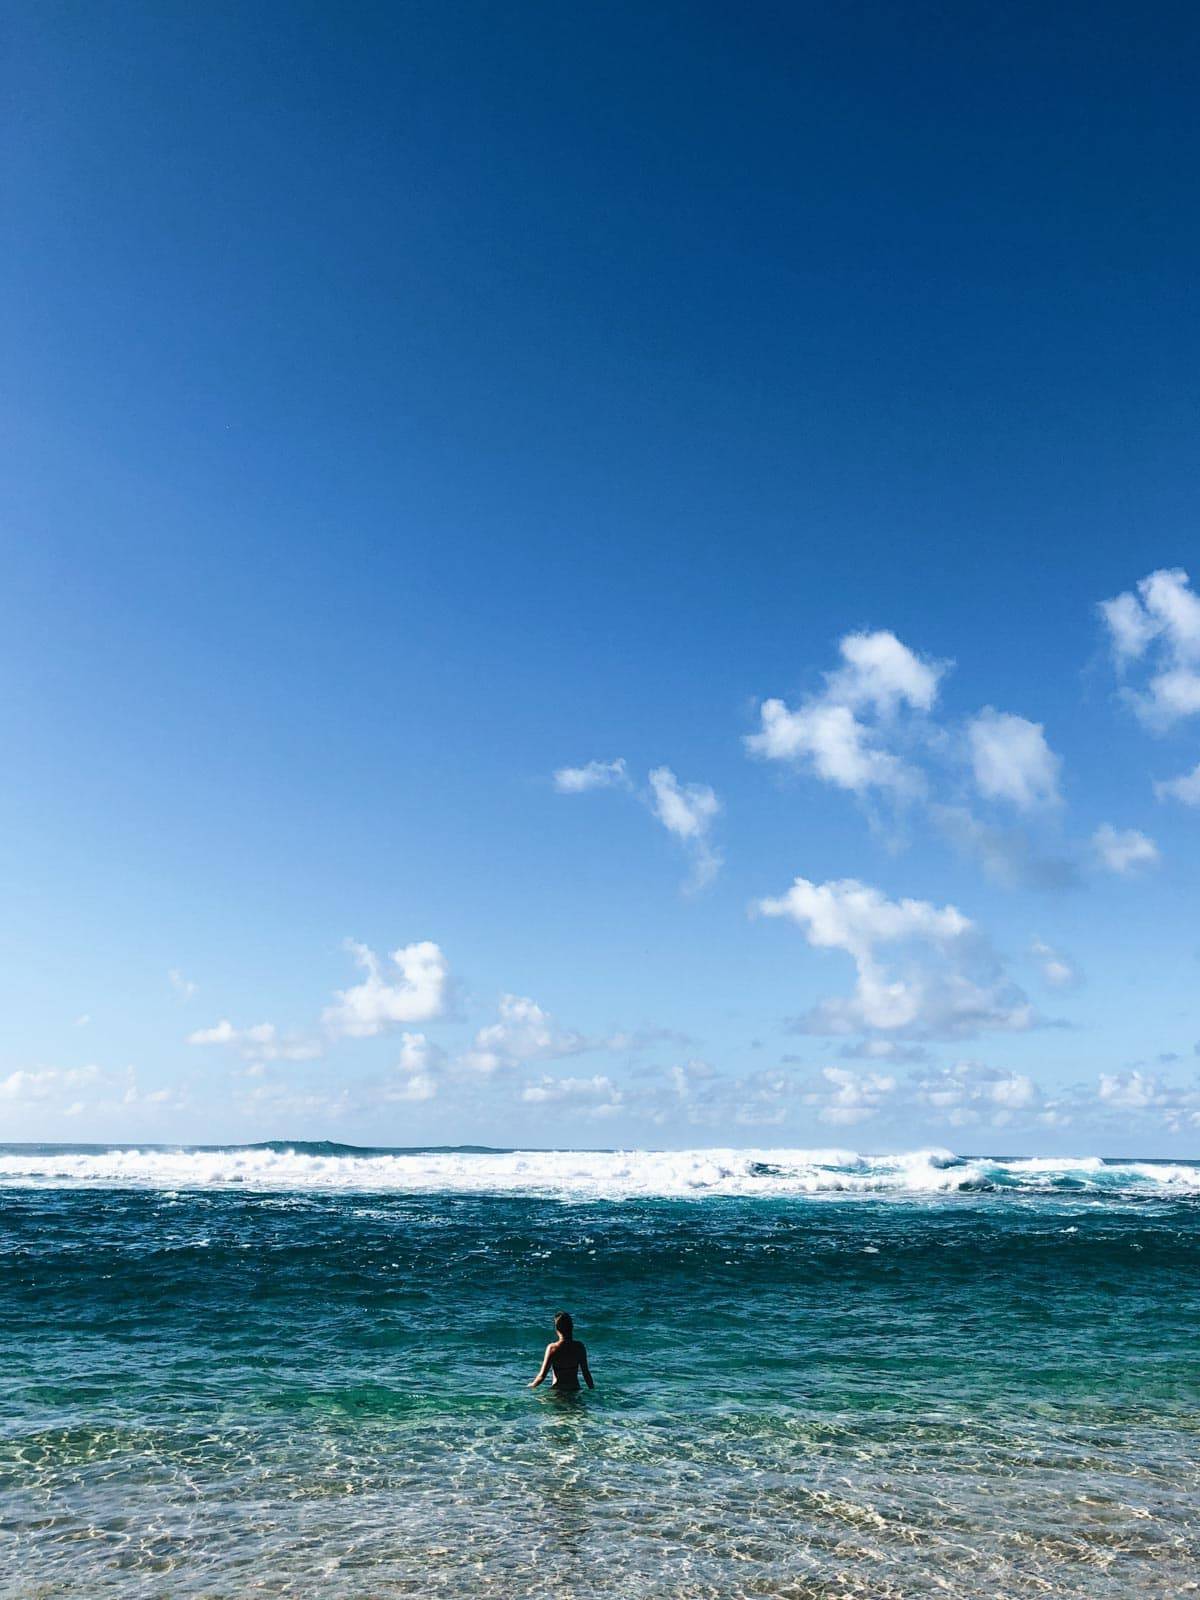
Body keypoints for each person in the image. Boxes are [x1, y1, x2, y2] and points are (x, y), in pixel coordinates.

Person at [528, 1310, 594, 1392]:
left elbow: (542, 1376)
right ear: (572, 1327)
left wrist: (532, 1385)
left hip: (558, 1391)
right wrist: (592, 1390)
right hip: (574, 1390)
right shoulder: (579, 1347)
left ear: (557, 1329)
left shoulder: (552, 1348)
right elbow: (586, 1373)